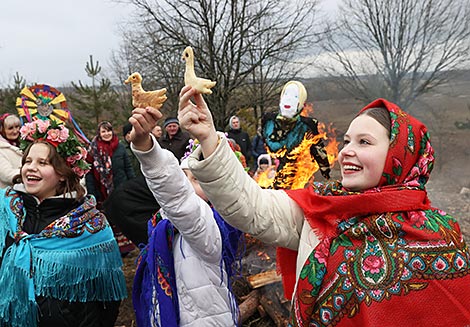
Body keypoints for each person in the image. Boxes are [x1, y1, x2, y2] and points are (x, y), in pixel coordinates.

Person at [178, 85, 470, 326]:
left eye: (364, 142)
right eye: (346, 141)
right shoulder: (320, 209)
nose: (346, 152)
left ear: (399, 155)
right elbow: (250, 205)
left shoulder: (442, 235)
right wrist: (208, 138)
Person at [0, 119, 127, 327]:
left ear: (62, 173)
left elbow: (106, 301)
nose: (31, 168)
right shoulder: (5, 213)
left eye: (43, 163)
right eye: (28, 161)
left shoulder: (90, 225)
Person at [127, 107, 243, 327]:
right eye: (184, 175)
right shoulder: (166, 227)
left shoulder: (208, 228)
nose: (188, 183)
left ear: (219, 190)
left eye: (197, 180)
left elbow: (179, 198)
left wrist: (147, 150)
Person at [262, 81, 331, 189]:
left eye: (295, 96)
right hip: (269, 173)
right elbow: (263, 143)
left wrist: (325, 169)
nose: (289, 99)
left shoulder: (307, 125)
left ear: (302, 104)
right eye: (286, 95)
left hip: (295, 177)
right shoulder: (268, 121)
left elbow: (317, 148)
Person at [86, 121, 136, 255]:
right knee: (107, 218)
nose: (106, 134)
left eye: (108, 131)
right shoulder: (93, 150)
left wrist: (132, 184)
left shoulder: (119, 147)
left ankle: (125, 248)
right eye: (103, 131)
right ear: (99, 133)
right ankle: (110, 246)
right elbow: (89, 173)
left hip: (120, 188)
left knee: (121, 217)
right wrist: (91, 193)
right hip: (101, 191)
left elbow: (128, 167)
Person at [0, 113, 23, 188]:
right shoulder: (1, 149)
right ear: (2, 130)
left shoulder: (23, 142)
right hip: (10, 194)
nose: (15, 131)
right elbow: (6, 174)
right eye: (10, 128)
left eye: (17, 127)